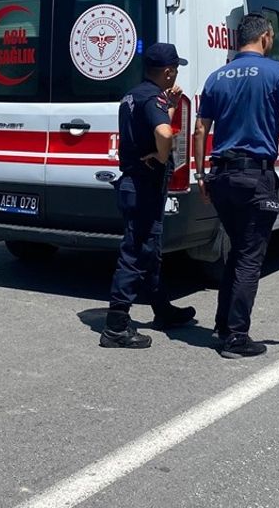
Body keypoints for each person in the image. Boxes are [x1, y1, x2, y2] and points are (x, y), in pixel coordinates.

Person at [192, 14, 279, 359]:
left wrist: (200, 176)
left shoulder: (216, 77)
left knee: (238, 252)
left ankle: (224, 325)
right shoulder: (277, 72)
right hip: (254, 176)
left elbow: (199, 130)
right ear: (266, 37)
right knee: (249, 258)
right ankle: (236, 338)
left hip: (220, 176)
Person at [99, 42, 197, 349]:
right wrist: (159, 153)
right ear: (167, 72)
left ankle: (162, 309)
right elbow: (164, 133)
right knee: (136, 251)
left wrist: (170, 103)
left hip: (134, 183)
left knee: (150, 250)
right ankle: (116, 325)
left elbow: (151, 120)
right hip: (143, 185)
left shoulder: (133, 95)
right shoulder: (152, 98)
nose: (176, 74)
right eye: (175, 70)